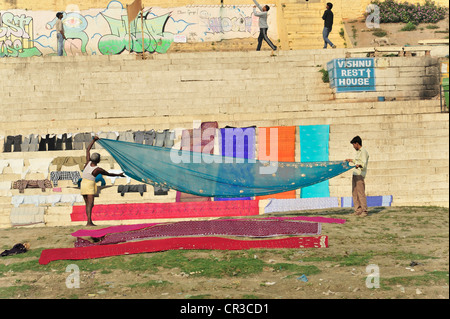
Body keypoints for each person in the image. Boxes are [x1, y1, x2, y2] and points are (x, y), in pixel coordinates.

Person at [81, 136, 125, 226]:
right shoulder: (97, 169)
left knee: (87, 204)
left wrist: (93, 140)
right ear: (98, 160)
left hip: (83, 183)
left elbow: (87, 150)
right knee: (90, 203)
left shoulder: (88, 163)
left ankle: (89, 221)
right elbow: (108, 174)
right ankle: (89, 222)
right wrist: (118, 175)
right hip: (89, 184)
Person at [346, 136, 369, 217]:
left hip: (359, 174)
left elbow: (363, 163)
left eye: (353, 144)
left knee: (361, 193)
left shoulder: (363, 152)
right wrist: (351, 160)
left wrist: (359, 165)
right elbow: (357, 161)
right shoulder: (358, 152)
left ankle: (364, 211)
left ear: (357, 143)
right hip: (355, 174)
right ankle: (358, 210)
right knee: (354, 193)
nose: (353, 146)